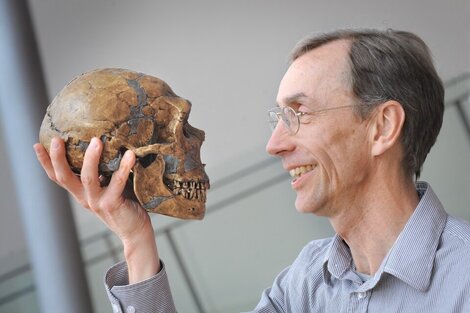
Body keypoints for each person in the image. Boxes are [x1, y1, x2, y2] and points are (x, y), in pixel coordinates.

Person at [34, 29, 470, 313]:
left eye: (298, 113)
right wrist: (136, 241)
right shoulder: (304, 286)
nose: (274, 144)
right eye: (277, 118)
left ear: (382, 127)